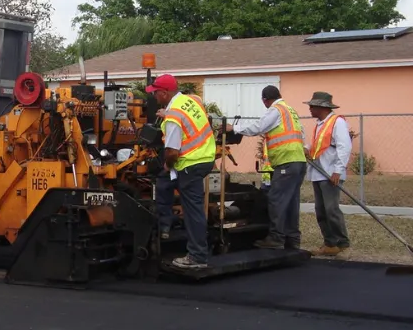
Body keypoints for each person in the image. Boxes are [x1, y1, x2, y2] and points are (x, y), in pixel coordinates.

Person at [146, 74, 216, 269]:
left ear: (164, 93)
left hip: (190, 164)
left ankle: (197, 256)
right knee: (167, 184)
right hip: (205, 158)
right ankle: (167, 226)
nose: (154, 97)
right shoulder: (191, 100)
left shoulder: (173, 117)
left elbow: (172, 152)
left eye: (156, 93)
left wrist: (167, 165)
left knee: (192, 211)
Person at [225, 85, 307, 250]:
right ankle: (292, 239)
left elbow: (259, 127)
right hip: (298, 161)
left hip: (286, 162)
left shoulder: (276, 110)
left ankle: (276, 238)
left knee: (276, 199)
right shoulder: (291, 111)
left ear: (265, 100)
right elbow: (302, 134)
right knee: (291, 202)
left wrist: (234, 128)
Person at [304, 91, 352, 256]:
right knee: (321, 210)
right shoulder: (320, 124)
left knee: (331, 210)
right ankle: (330, 244)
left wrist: (338, 170)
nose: (310, 109)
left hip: (330, 174)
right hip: (318, 173)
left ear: (322, 107)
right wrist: (307, 148)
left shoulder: (337, 122)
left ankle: (343, 244)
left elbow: (344, 147)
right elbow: (318, 144)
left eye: (312, 106)